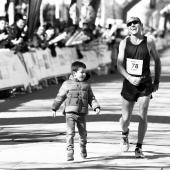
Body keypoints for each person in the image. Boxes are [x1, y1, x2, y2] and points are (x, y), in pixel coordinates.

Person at [117, 17, 161, 158]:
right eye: (129, 24)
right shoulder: (124, 43)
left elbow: (157, 61)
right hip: (129, 83)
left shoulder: (149, 41)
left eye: (135, 23)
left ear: (141, 25)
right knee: (125, 118)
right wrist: (129, 78)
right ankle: (124, 133)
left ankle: (139, 147)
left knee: (142, 114)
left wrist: (157, 81)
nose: (132, 25)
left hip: (145, 83)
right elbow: (118, 65)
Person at [52, 61, 100, 161]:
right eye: (81, 72)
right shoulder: (66, 84)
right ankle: (70, 152)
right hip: (70, 113)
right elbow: (60, 97)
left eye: (85, 72)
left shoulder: (86, 86)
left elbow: (91, 98)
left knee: (83, 133)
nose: (84, 74)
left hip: (81, 114)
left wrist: (96, 107)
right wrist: (54, 108)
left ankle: (83, 148)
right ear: (74, 73)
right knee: (70, 133)